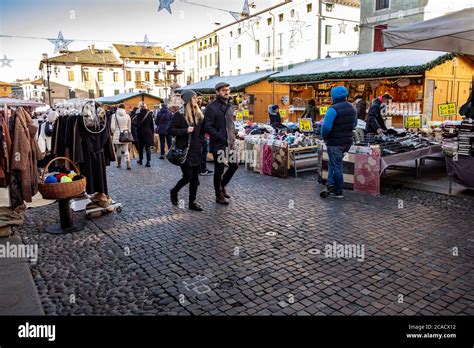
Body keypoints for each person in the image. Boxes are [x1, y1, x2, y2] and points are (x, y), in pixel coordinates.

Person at [168, 90, 205, 212]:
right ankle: (174, 191)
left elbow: (201, 132)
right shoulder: (180, 114)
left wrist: (201, 142)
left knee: (195, 179)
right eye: (194, 98)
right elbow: (170, 130)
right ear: (189, 100)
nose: (197, 100)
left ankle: (192, 202)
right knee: (188, 176)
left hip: (196, 150)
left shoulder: (199, 113)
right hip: (185, 150)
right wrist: (185, 130)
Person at [320, 86, 357, 199]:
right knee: (334, 163)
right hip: (347, 141)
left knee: (337, 166)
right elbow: (354, 124)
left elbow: (326, 127)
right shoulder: (352, 108)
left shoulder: (333, 109)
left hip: (335, 142)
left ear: (333, 96)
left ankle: (338, 191)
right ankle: (330, 184)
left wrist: (323, 136)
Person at [204, 82, 238, 205]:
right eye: (224, 90)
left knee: (234, 166)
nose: (227, 92)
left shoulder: (230, 105)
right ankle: (218, 195)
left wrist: (234, 133)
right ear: (217, 92)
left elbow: (231, 123)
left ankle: (222, 186)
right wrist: (219, 136)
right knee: (219, 170)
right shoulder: (211, 107)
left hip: (230, 143)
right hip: (219, 144)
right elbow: (207, 126)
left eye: (228, 90)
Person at [111, 104, 132, 170]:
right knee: (126, 150)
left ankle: (119, 164)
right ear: (124, 108)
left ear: (118, 108)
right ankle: (128, 164)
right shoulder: (127, 116)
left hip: (117, 134)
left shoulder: (114, 116)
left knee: (118, 150)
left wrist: (113, 132)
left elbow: (112, 127)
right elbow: (129, 127)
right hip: (125, 134)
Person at [196, 93, 213, 176]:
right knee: (201, 153)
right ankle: (201, 169)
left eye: (200, 98)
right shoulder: (193, 110)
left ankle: (202, 168)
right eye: (198, 98)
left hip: (202, 135)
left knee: (204, 152)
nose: (199, 100)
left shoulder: (200, 109)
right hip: (197, 137)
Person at [135, 102, 154, 167]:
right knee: (148, 148)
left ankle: (140, 160)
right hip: (148, 132)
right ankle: (148, 162)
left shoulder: (138, 115)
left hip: (140, 133)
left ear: (140, 107)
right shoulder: (150, 114)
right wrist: (152, 133)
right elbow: (152, 125)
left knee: (141, 147)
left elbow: (137, 125)